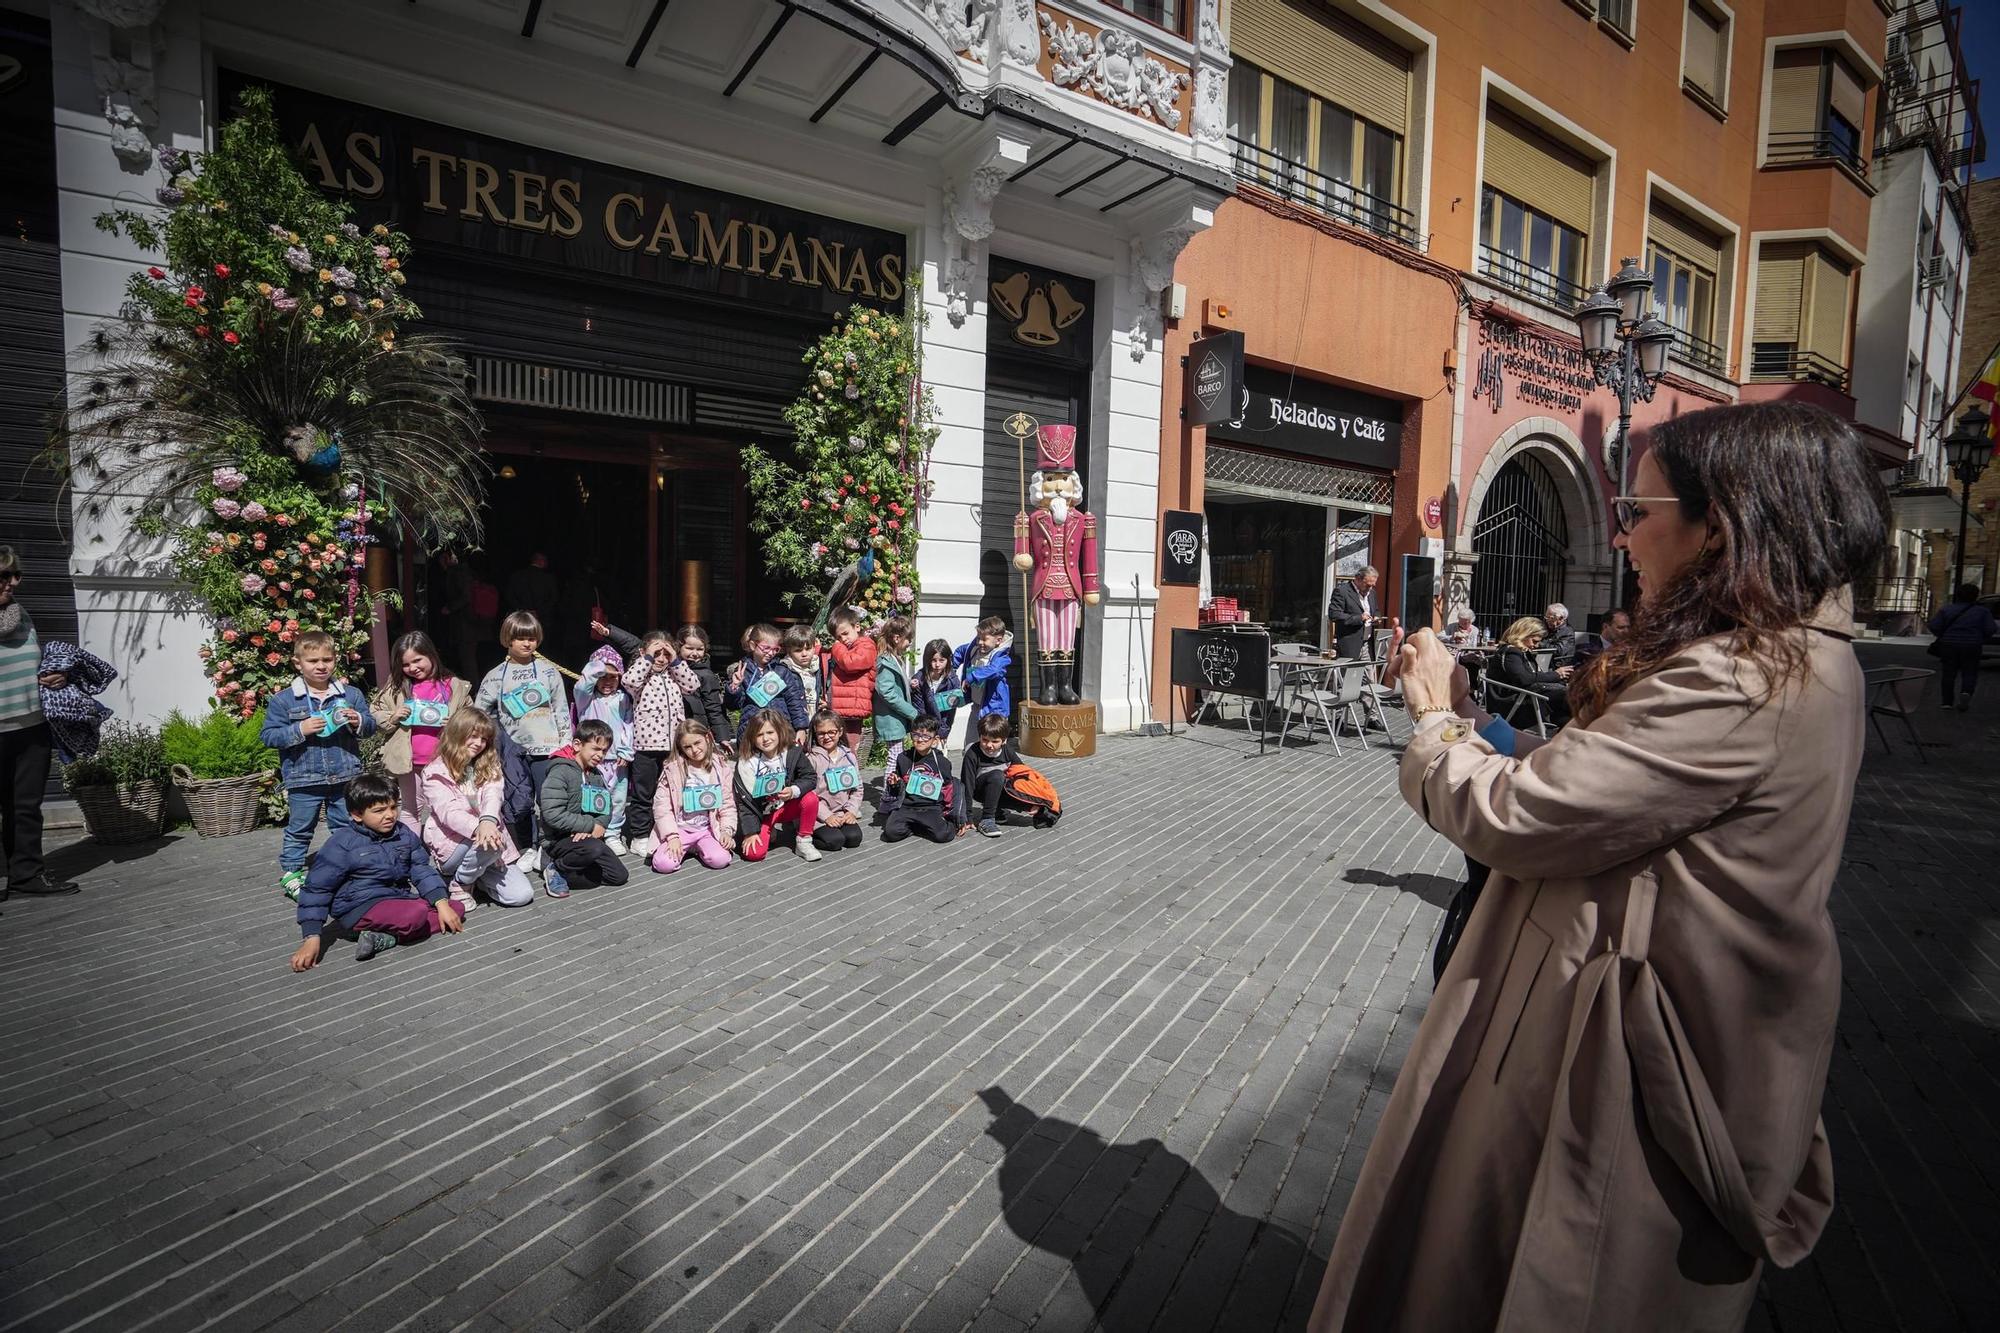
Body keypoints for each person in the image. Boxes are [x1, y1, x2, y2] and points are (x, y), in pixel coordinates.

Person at [1311, 400, 1888, 1332]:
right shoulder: (1795, 656)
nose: (1621, 536)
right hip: (1664, 1031)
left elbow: (1522, 811)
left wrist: (1430, 720)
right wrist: (1486, 721)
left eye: (1638, 511)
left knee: (1552, 1275)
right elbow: (1614, 783)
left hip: (1634, 1062)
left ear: (1721, 529)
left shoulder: (1743, 675)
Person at [290, 773, 461, 969]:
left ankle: (385, 937)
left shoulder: (403, 833)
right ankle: (375, 928)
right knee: (416, 914)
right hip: (357, 906)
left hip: (396, 899)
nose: (389, 815)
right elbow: (317, 889)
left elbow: (420, 868)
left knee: (454, 908)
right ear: (357, 814)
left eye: (393, 807)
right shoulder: (341, 843)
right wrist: (312, 938)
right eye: (379, 810)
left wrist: (440, 902)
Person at [261, 631, 377, 900]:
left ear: (336, 660)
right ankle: (291, 872)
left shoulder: (350, 694)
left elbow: (370, 727)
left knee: (345, 826)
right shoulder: (285, 700)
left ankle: (350, 867)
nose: (321, 666)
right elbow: (268, 736)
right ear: (297, 663)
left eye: (327, 659)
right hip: (304, 778)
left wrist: (357, 720)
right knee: (300, 828)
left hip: (345, 776)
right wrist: (300, 728)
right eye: (313, 660)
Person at [0, 546, 79, 904]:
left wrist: (57, 676)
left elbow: (36, 662)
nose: (13, 582)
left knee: (25, 807)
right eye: (4, 576)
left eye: (15, 574)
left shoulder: (22, 615)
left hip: (31, 726)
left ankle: (25, 876)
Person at [592, 621, 702, 856]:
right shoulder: (640, 676)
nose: (661, 658)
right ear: (644, 653)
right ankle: (640, 836)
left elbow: (693, 685)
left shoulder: (674, 675)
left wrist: (676, 660)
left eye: (665, 653)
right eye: (656, 653)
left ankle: (667, 831)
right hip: (645, 746)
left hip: (673, 746)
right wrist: (648, 658)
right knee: (644, 794)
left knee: (673, 791)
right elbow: (629, 681)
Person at [474, 611, 572, 872]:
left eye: (531, 638)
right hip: (513, 751)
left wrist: (566, 743)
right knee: (519, 800)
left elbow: (561, 708)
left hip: (548, 747)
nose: (526, 644)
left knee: (548, 799)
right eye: (519, 638)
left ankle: (548, 845)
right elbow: (481, 711)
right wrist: (493, 743)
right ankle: (527, 845)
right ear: (508, 639)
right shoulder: (496, 675)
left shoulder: (549, 672)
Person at [418, 708, 534, 913]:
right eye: (473, 736)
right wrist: (479, 828)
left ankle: (477, 876)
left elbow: (493, 793)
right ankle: (460, 883)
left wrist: (488, 821)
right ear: (457, 733)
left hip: (488, 839)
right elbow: (449, 813)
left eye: (484, 739)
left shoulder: (487, 764)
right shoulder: (434, 772)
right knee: (490, 844)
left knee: (522, 895)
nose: (478, 743)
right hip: (454, 843)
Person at [369, 630, 469, 833]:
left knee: (446, 808)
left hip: (445, 761)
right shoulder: (397, 686)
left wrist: (458, 723)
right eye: (405, 664)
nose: (412, 668)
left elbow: (473, 719)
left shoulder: (454, 685)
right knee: (409, 809)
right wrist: (393, 716)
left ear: (432, 655)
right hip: (409, 762)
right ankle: (411, 852)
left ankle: (444, 852)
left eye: (417, 660)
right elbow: (375, 712)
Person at [535, 718, 630, 895]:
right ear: (577, 745)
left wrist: (599, 825)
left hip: (587, 837)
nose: (600, 755)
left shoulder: (595, 774)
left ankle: (569, 870)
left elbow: (606, 806)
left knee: (618, 876)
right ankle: (556, 867)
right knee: (593, 849)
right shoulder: (560, 771)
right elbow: (552, 814)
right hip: (558, 839)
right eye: (596, 748)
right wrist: (590, 825)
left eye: (604, 751)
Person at [733, 708, 820, 862]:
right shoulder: (746, 763)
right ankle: (768, 830)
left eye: (770, 733)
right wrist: (751, 832)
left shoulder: (793, 751)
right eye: (759, 735)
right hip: (763, 813)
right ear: (752, 737)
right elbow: (745, 803)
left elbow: (810, 777)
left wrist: (793, 791)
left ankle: (804, 841)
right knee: (753, 854)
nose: (765, 739)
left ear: (779, 732)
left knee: (810, 798)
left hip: (786, 805)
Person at [952, 713, 1059, 838]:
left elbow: (1022, 774)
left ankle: (997, 811)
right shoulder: (973, 753)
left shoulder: (1007, 750)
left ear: (1004, 741)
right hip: (979, 790)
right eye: (985, 740)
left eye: (995, 741)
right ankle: (987, 819)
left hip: (1001, 789)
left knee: (1040, 807)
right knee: (997, 776)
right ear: (980, 736)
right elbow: (967, 785)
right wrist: (967, 816)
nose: (989, 745)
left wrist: (1033, 802)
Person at [650, 719, 736, 875]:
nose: (694, 750)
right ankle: (686, 846)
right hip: (680, 828)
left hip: (707, 828)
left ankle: (699, 847)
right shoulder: (673, 769)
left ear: (708, 738)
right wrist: (672, 836)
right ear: (681, 748)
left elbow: (728, 803)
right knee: (663, 864)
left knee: (721, 859)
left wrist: (726, 831)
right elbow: (662, 807)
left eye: (697, 743)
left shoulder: (721, 767)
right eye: (688, 747)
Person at [574, 644, 636, 857]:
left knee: (617, 798)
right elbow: (581, 686)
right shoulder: (586, 699)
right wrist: (597, 668)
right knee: (591, 795)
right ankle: (591, 828)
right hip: (592, 760)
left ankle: (613, 833)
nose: (607, 682)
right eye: (602, 677)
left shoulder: (624, 699)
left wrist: (626, 751)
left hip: (617, 760)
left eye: (612, 677)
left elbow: (629, 724)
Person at [725, 623, 808, 744]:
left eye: (775, 649)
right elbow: (734, 705)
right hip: (752, 730)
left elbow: (794, 701)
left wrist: (801, 727)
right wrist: (735, 687)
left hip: (780, 728)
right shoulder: (742, 671)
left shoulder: (781, 671)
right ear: (753, 645)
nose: (771, 653)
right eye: (766, 648)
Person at [1487, 616, 1573, 728]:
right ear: (1523, 634)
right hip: (1512, 703)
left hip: (1523, 696)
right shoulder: (1511, 652)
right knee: (1569, 697)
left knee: (1568, 702)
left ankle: (1567, 734)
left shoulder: (1519, 651)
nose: (1536, 645)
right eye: (1535, 641)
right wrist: (1556, 674)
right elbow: (1524, 679)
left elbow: (1529, 676)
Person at [882, 715, 956, 844]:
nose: (920, 740)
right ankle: (919, 826)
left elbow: (948, 789)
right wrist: (894, 784)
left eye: (926, 736)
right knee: (891, 833)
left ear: (935, 740)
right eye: (916, 735)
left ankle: (928, 824)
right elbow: (895, 792)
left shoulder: (943, 763)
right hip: (907, 806)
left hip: (931, 806)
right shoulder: (903, 758)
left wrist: (950, 813)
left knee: (943, 836)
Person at [1927, 582, 1997, 710]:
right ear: (1975, 596)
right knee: (1970, 671)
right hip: (1972, 645)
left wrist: (1942, 635)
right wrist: (1981, 637)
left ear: (1957, 595)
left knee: (1949, 673)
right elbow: (1991, 628)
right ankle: (1966, 692)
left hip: (1949, 645)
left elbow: (1934, 626)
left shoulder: (1946, 609)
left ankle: (1947, 702)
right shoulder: (1983, 612)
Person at [804, 712, 866, 853]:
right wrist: (826, 816)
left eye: (831, 732)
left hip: (841, 813)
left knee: (854, 838)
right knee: (835, 842)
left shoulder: (849, 756)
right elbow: (808, 793)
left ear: (840, 732)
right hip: (818, 816)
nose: (826, 737)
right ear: (815, 733)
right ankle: (805, 834)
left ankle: (839, 824)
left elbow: (858, 788)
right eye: (821, 733)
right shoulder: (811, 759)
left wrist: (851, 811)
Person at [823, 609, 879, 754]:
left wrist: (836, 646)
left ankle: (852, 776)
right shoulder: (845, 649)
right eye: (838, 637)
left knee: (850, 750)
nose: (842, 639)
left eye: (845, 633)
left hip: (853, 708)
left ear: (857, 627)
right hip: (843, 706)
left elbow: (850, 663)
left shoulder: (867, 645)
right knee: (839, 749)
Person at [872, 616, 920, 783]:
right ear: (897, 638)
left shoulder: (893, 658)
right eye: (909, 639)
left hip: (894, 717)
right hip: (890, 718)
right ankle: (888, 795)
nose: (909, 643)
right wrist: (912, 712)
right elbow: (886, 692)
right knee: (895, 757)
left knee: (896, 755)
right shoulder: (885, 661)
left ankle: (891, 793)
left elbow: (893, 684)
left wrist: (907, 682)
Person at [675, 625, 733, 746]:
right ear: (679, 647)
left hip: (696, 729)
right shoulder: (670, 669)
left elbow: (713, 708)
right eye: (689, 648)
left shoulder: (706, 675)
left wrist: (722, 737)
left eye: (700, 649)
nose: (695, 653)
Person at [954, 616, 1015, 724]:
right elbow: (960, 651)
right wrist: (952, 666)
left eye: (984, 639)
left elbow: (995, 670)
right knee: (972, 741)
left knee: (992, 739)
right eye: (978, 638)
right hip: (977, 705)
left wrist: (971, 677)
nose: (980, 642)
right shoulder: (973, 649)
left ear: (998, 640)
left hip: (994, 710)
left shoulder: (1001, 657)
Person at [916, 637, 965, 751]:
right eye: (933, 660)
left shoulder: (952, 681)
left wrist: (943, 732)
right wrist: (926, 732)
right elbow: (920, 708)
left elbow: (950, 711)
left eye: (942, 660)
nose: (937, 665)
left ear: (948, 660)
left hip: (942, 729)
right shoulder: (920, 680)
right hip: (923, 731)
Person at [504, 552, 559, 645]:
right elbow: (554, 599)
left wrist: (524, 611)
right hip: (543, 620)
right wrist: (539, 612)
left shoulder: (517, 576)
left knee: (521, 643)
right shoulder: (548, 578)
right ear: (541, 561)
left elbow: (510, 596)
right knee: (541, 645)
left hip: (520, 619)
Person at [1326, 566, 1380, 659]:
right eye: (1367, 585)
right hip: (1350, 645)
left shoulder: (1372, 593)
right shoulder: (1342, 592)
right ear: (1358, 579)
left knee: (1369, 673)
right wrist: (1359, 618)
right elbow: (1334, 614)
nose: (1370, 588)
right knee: (1349, 673)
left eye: (1372, 585)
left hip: (1367, 645)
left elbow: (1376, 610)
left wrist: (1377, 617)